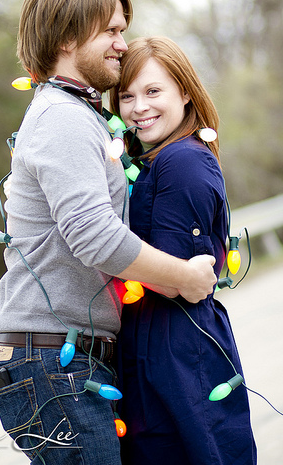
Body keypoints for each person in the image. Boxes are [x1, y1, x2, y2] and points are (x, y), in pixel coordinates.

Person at [0, 0, 217, 465]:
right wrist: (185, 278)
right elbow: (94, 238)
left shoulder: (77, 114)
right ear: (69, 35)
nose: (122, 42)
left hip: (65, 360)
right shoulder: (62, 118)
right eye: (111, 30)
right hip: (52, 363)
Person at [109, 36, 257, 465]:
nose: (139, 107)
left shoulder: (182, 161)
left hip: (178, 353)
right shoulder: (154, 161)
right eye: (127, 96)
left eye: (153, 91)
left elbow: (177, 282)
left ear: (186, 92)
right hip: (154, 347)